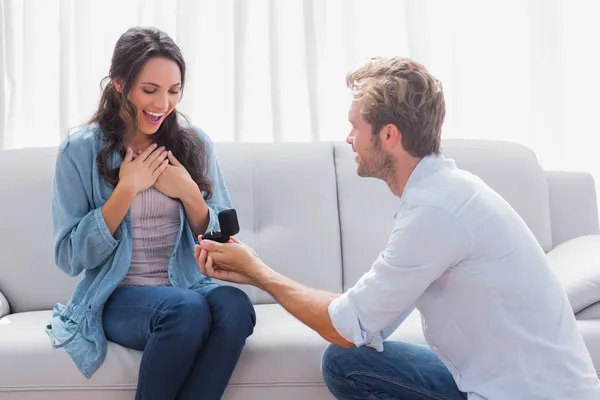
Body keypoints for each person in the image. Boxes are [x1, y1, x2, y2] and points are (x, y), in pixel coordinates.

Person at [196, 56, 600, 399]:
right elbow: (367, 322)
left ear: (389, 135)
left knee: (345, 355)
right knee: (347, 361)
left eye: (356, 127)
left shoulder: (437, 210)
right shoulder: (440, 193)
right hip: (498, 382)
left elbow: (347, 326)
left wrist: (258, 272)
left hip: (527, 393)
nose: (349, 138)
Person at [47, 27, 256, 400]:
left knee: (235, 305)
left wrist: (190, 194)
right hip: (119, 295)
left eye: (174, 91)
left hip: (189, 286)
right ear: (119, 83)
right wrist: (126, 189)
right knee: (186, 309)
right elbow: (68, 256)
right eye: (150, 90)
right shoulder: (78, 151)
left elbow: (223, 236)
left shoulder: (195, 144)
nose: (163, 103)